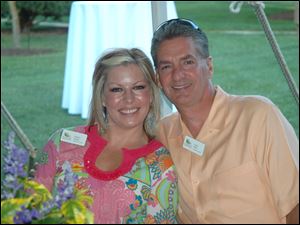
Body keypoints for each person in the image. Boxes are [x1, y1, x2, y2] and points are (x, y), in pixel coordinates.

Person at [151, 18, 299, 224]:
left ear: (209, 66)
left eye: (188, 62)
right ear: (158, 79)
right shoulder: (163, 133)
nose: (178, 75)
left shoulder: (258, 116)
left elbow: (295, 204)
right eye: (167, 66)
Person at [35, 48, 178, 224]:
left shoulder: (160, 165)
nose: (129, 99)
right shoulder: (61, 142)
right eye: (117, 89)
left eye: (138, 87)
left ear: (150, 95)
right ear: (102, 96)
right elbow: (29, 211)